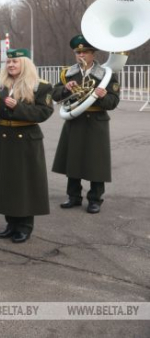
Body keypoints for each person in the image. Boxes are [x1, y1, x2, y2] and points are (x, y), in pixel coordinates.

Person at [0, 49, 53, 243]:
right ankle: (11, 224)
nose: (11, 65)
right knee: (6, 183)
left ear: (25, 64)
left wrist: (18, 107)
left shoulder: (40, 86)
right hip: (2, 137)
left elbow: (43, 113)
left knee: (24, 184)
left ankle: (24, 226)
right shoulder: (0, 85)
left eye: (15, 61)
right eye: (8, 62)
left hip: (25, 140)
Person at [52, 35, 120, 214]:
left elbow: (113, 102)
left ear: (93, 54)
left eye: (85, 52)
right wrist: (66, 89)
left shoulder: (106, 73)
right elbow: (55, 94)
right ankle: (73, 196)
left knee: (96, 162)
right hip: (75, 120)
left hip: (96, 122)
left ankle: (95, 199)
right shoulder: (68, 73)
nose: (80, 55)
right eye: (78, 52)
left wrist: (103, 95)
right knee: (73, 160)